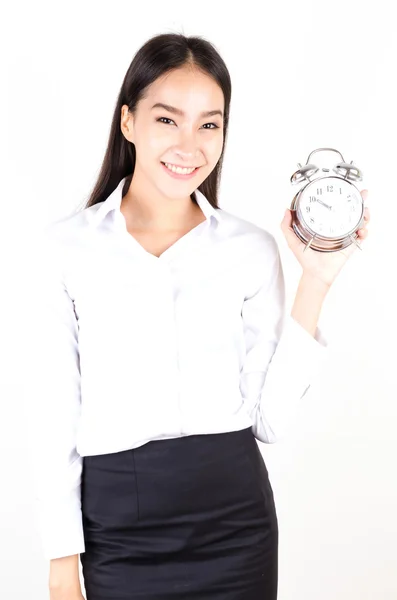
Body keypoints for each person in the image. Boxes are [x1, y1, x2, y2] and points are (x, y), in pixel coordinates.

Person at [25, 32, 370, 600]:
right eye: (167, 119)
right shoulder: (65, 250)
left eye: (209, 124)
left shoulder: (251, 249)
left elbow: (269, 421)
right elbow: (53, 412)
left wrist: (317, 280)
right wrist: (62, 557)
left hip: (235, 521)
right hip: (118, 522)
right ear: (128, 122)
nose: (190, 144)